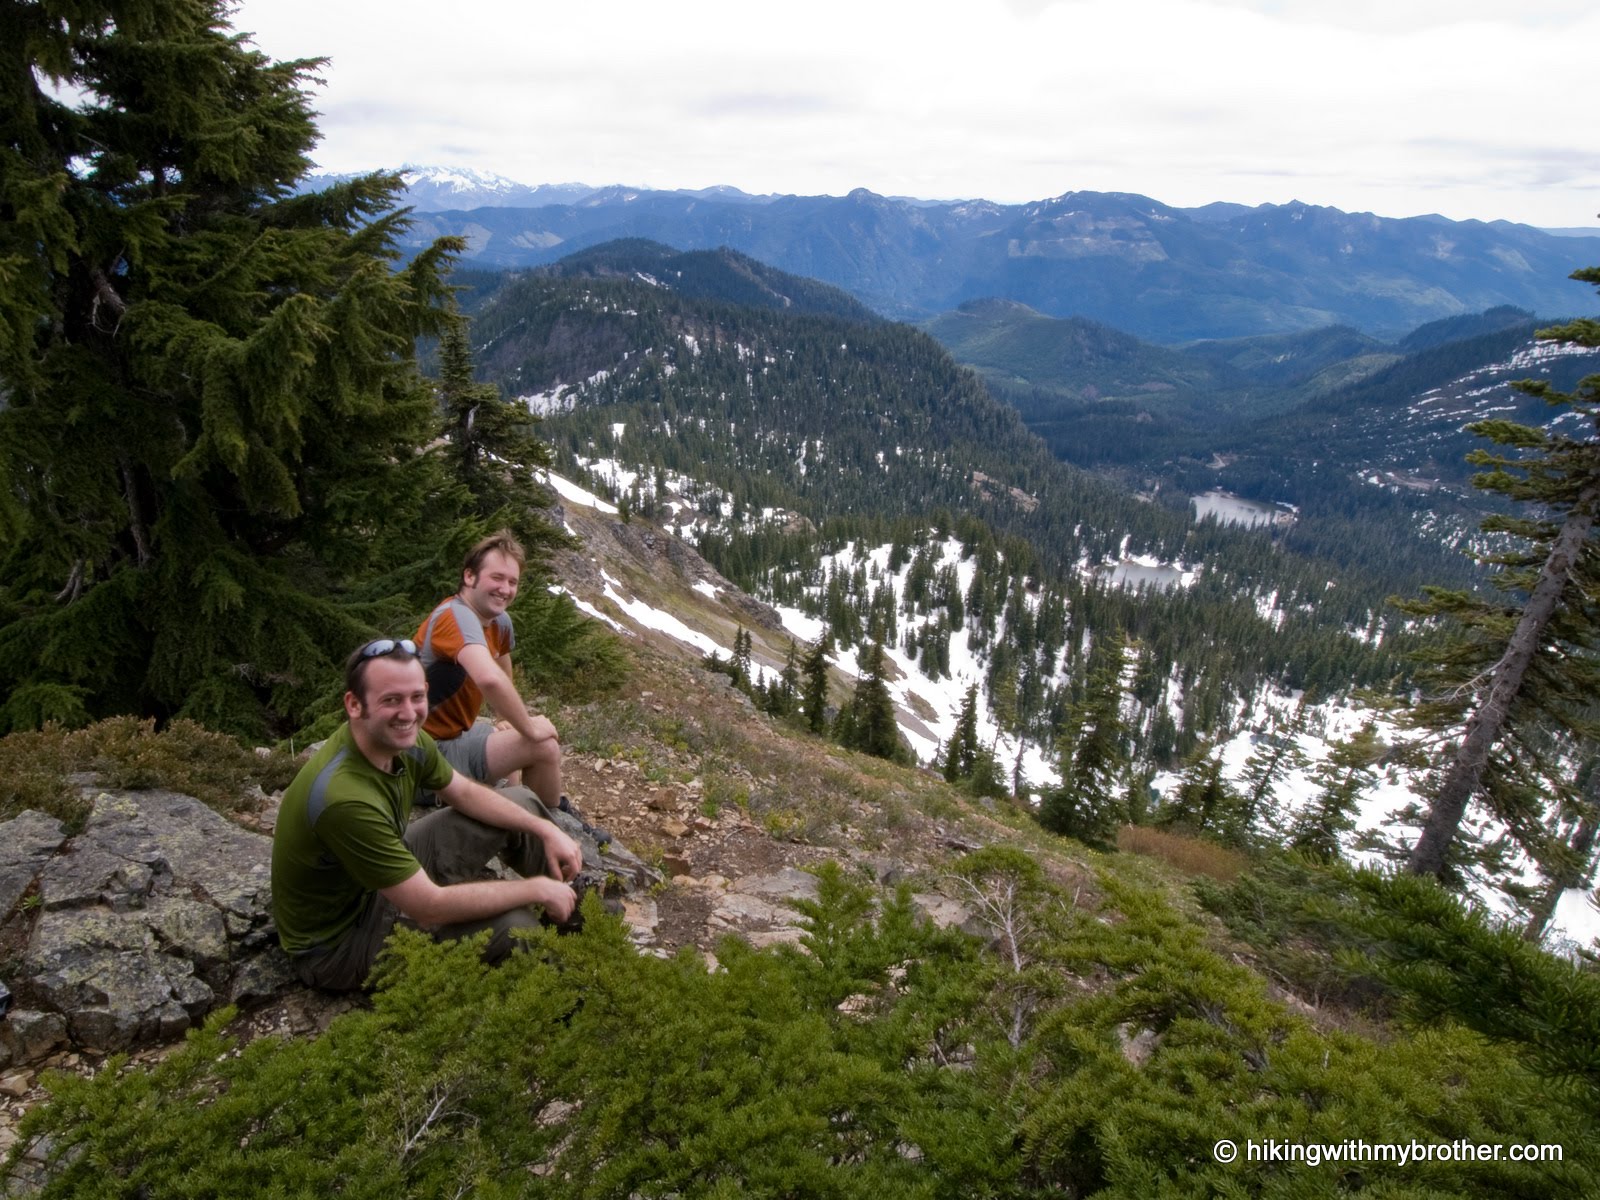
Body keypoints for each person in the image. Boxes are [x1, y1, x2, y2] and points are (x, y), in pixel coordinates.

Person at [270, 638, 584, 991]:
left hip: (376, 883)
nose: (408, 713)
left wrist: (544, 829)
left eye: (416, 697)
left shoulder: (406, 741)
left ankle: (571, 915)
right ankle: (566, 1002)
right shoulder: (344, 800)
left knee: (522, 803)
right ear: (354, 705)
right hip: (340, 946)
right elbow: (429, 906)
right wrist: (534, 890)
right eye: (391, 700)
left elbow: (463, 792)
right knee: (517, 925)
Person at [414, 531, 563, 803]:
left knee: (511, 755)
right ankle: (550, 825)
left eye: (512, 582)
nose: (505, 589)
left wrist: (503, 718)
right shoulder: (455, 616)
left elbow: (501, 661)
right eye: (496, 578)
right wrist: (529, 727)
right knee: (544, 747)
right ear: (469, 577)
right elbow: (489, 678)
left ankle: (520, 817)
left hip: (452, 739)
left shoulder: (498, 621)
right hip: (423, 756)